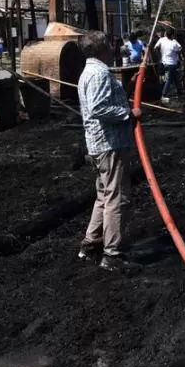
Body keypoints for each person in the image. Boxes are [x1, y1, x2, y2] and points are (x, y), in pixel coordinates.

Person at [76, 30, 142, 272]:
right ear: (102, 49)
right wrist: (128, 113)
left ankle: (91, 243)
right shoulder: (100, 73)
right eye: (109, 45)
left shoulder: (89, 72)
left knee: (104, 195)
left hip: (98, 144)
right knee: (116, 198)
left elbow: (102, 101)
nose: (113, 49)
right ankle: (112, 254)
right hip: (109, 145)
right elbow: (99, 107)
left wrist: (130, 85)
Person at [156, 27, 183, 101]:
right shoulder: (174, 43)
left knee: (175, 78)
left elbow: (156, 47)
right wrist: (180, 58)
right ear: (172, 35)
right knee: (169, 79)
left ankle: (179, 91)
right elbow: (179, 50)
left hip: (164, 62)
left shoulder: (161, 40)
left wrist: (160, 55)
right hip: (172, 63)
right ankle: (163, 94)